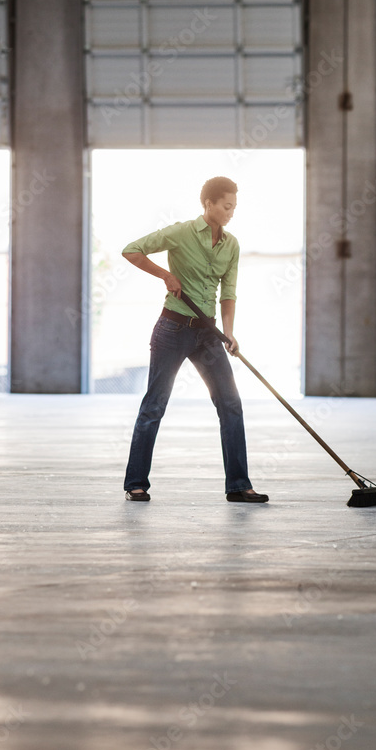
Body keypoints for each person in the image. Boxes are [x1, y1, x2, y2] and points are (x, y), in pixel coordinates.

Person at [121, 175, 268, 504]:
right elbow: (131, 250)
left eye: (234, 207)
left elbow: (228, 294)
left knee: (231, 405)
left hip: (208, 334)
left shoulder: (231, 245)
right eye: (226, 206)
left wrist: (229, 333)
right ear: (209, 204)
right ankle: (135, 484)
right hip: (172, 329)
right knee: (154, 405)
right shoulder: (181, 232)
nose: (231, 212)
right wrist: (165, 274)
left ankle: (239, 486)